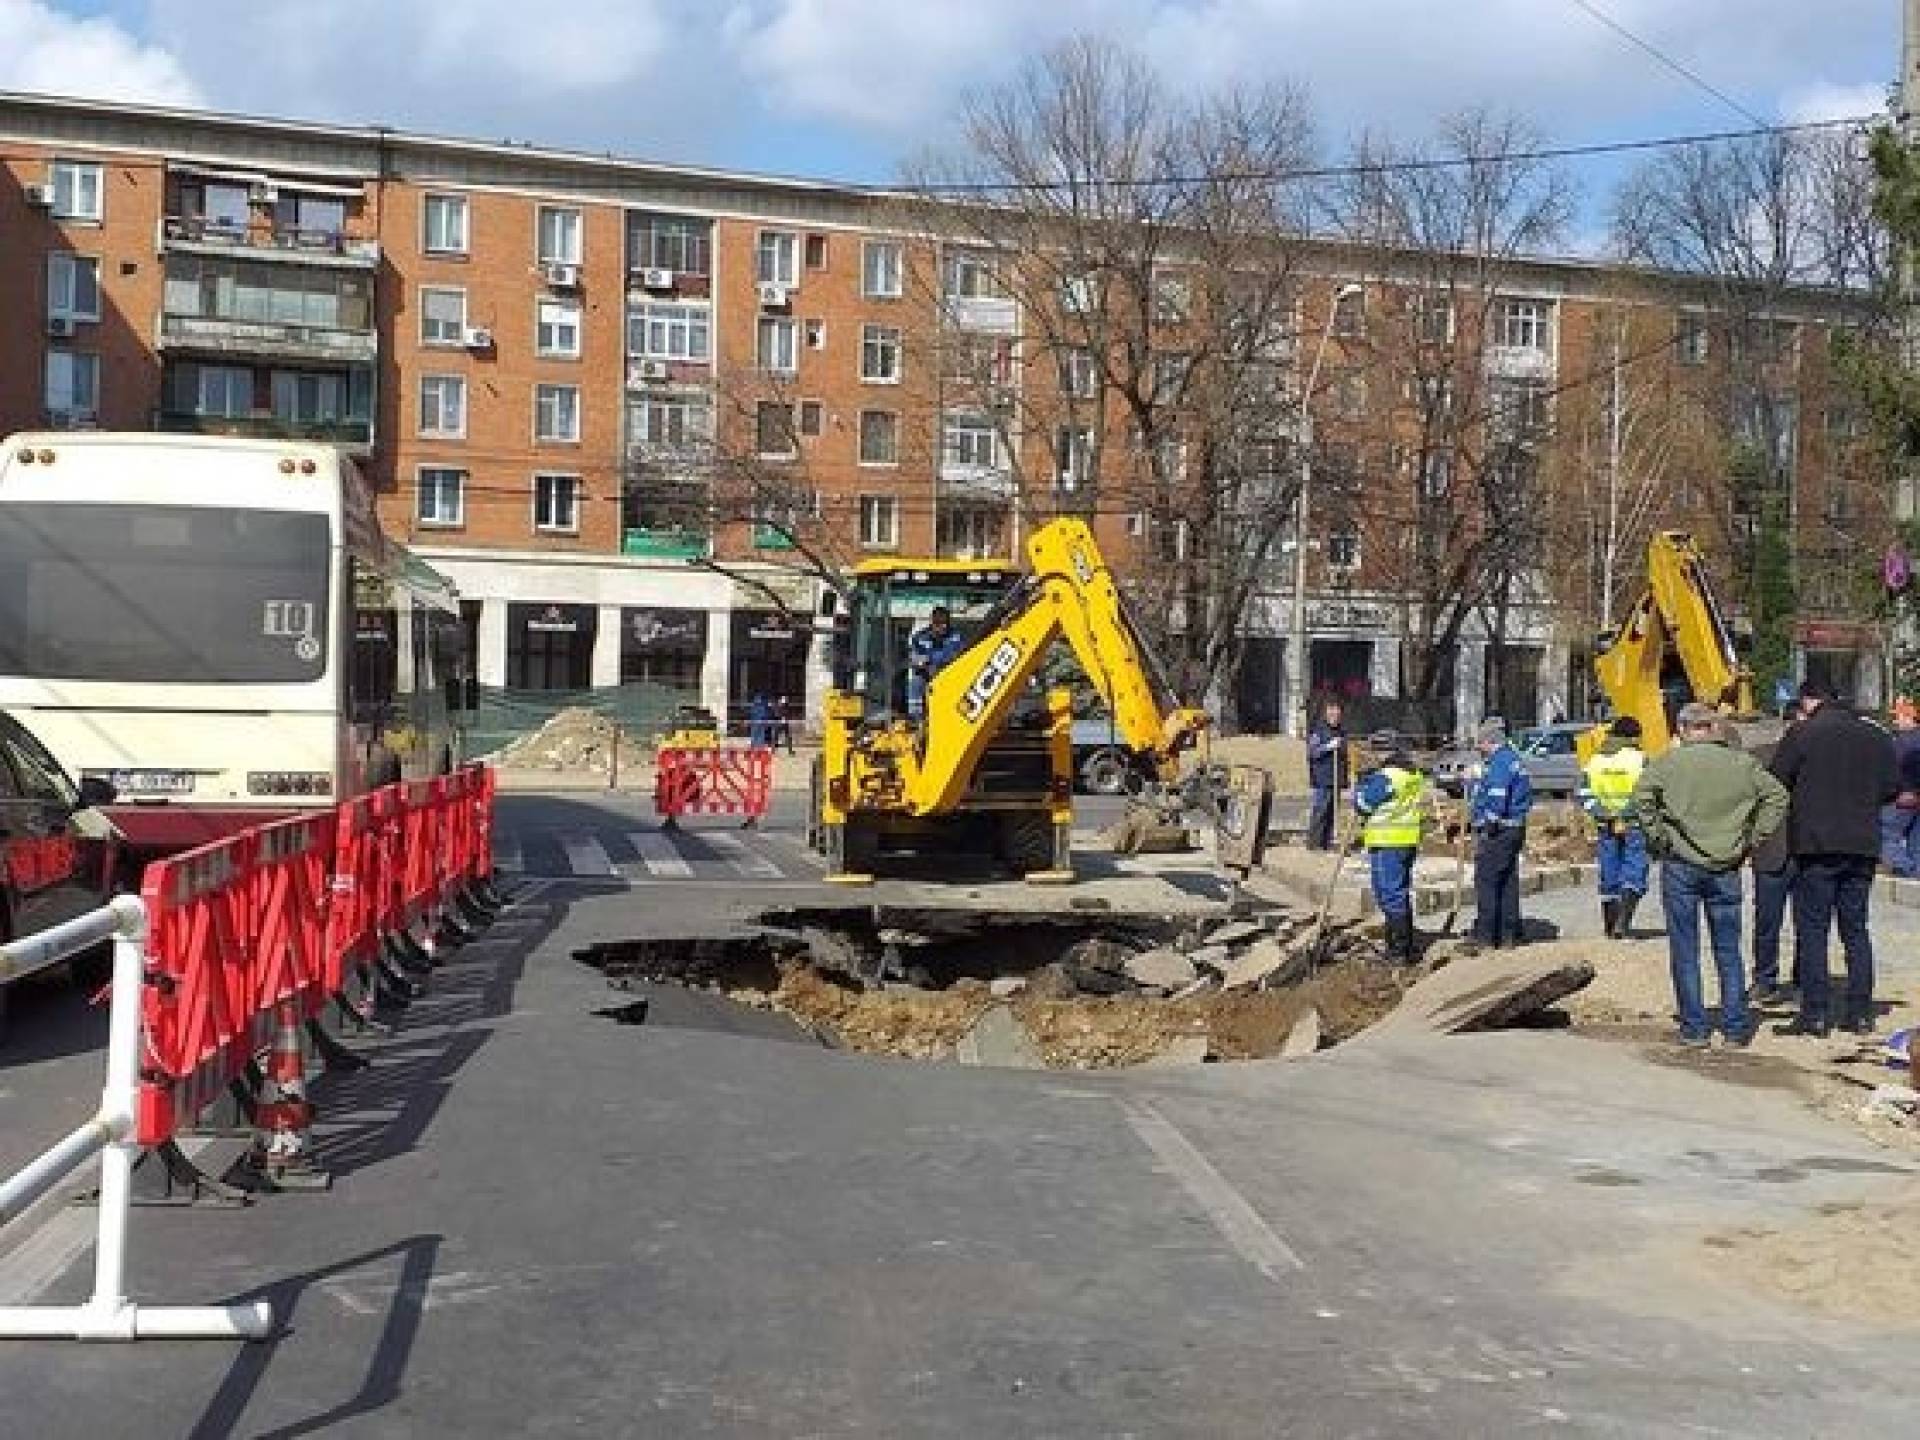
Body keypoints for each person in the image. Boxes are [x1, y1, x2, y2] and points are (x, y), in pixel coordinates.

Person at [1634, 702, 1789, 1048]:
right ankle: (1735, 1029)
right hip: (1727, 865)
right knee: (1728, 950)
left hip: (1680, 864)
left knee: (1685, 949)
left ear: (1683, 729)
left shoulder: (1667, 764)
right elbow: (1777, 797)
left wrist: (1659, 837)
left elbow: (1642, 798)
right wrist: (1753, 837)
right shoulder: (1742, 764)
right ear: (1715, 728)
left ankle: (1694, 1029)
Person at [1770, 679, 1900, 1038]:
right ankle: (1859, 1012)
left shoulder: (1803, 734)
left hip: (1815, 843)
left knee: (1813, 930)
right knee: (1856, 929)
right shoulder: (1876, 737)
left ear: (1812, 701)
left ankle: (1815, 1013)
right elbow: (1892, 788)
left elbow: (1776, 778)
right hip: (1862, 842)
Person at [1352, 730, 1426, 965]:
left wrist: (1361, 785)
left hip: (1387, 842)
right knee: (1400, 892)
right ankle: (1405, 944)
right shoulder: (1411, 774)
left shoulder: (1387, 777)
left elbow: (1363, 804)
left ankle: (1398, 950)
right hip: (1406, 840)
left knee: (1389, 895)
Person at [1578, 714, 1648, 939]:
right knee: (1634, 869)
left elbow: (1584, 793)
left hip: (1604, 823)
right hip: (1633, 823)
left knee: (1609, 870)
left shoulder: (1596, 760)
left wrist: (1601, 811)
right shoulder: (1640, 759)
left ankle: (1610, 925)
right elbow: (1648, 793)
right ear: (1634, 736)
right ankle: (1623, 924)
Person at [1466, 717, 1532, 951]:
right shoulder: (1513, 759)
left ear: (1489, 741)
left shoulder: (1500, 762)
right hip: (1514, 827)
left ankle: (1486, 936)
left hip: (1499, 829)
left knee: (1487, 882)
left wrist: (1488, 823)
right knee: (1507, 881)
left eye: (1480, 744)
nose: (1478, 749)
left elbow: (1497, 794)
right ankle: (1509, 934)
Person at [1878, 697, 1920, 878]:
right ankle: (1916, 874)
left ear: (1908, 717)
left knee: (1884, 836)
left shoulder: (1900, 743)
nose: (1895, 721)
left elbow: (1889, 772)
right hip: (1915, 797)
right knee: (1916, 843)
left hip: (1902, 799)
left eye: (1898, 717)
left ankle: (1908, 869)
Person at [906, 605, 965, 720]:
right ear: (932, 623)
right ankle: (916, 718)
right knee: (916, 682)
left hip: (949, 674)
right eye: (938, 623)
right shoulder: (920, 637)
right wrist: (919, 660)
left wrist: (932, 659)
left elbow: (958, 656)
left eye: (945, 623)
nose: (942, 627)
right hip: (926, 674)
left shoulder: (956, 637)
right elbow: (914, 657)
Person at [1306, 698, 1349, 851]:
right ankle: (1314, 843)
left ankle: (1326, 842)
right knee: (1320, 810)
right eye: (1331, 712)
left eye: (1337, 713)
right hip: (1322, 778)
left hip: (1336, 777)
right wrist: (1328, 746)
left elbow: (1345, 755)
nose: (1335, 716)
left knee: (1332, 812)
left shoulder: (1342, 732)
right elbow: (1312, 753)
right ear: (1326, 714)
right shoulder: (1319, 731)